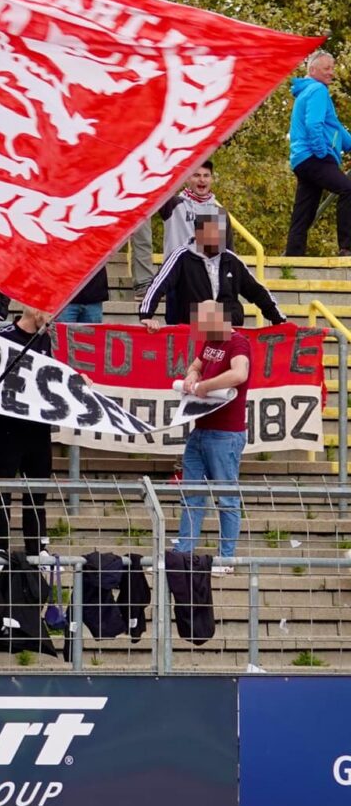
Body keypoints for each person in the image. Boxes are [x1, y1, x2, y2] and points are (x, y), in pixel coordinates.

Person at [174, 300, 251, 560]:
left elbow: (239, 374)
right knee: (191, 494)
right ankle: (184, 552)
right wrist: (192, 376)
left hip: (225, 433)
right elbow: (196, 365)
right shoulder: (211, 342)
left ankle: (226, 557)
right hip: (202, 429)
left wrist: (205, 386)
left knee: (226, 498)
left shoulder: (238, 343)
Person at [0, 308, 55, 560]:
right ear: (31, 307)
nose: (51, 315)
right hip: (6, 427)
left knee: (36, 489)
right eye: (47, 309)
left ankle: (37, 546)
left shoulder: (51, 340)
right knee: (2, 487)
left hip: (38, 428)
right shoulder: (0, 338)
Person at [141, 213, 286, 329]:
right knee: (208, 308)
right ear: (198, 235)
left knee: (230, 314)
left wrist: (278, 320)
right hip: (192, 326)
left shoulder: (231, 259)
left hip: (230, 326)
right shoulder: (181, 256)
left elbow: (256, 291)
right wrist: (146, 315)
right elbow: (158, 285)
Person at [286, 51, 351, 255]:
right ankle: (347, 247)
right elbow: (314, 124)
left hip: (301, 160)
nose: (331, 73)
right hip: (314, 157)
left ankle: (293, 257)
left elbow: (335, 128)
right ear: (312, 70)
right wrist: (322, 153)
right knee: (348, 189)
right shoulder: (317, 90)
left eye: (332, 68)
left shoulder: (307, 91)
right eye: (327, 68)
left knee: (304, 212)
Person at [161, 161, 227, 255]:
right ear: (187, 178)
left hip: (204, 269)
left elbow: (217, 256)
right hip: (176, 268)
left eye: (206, 175)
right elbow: (159, 182)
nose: (202, 179)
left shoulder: (216, 211)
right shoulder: (172, 204)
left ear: (211, 179)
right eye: (196, 175)